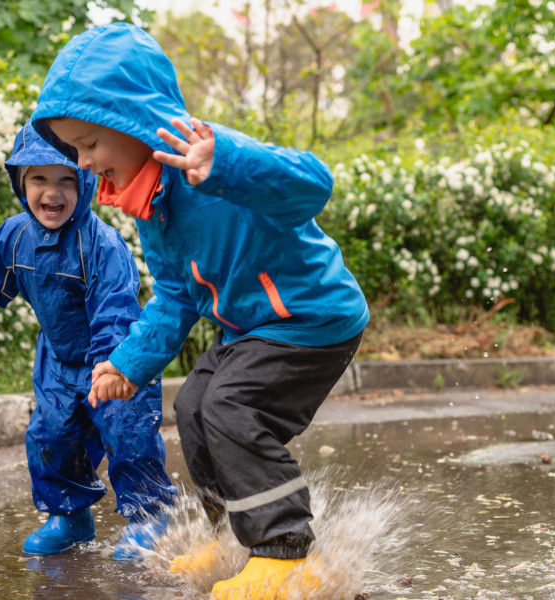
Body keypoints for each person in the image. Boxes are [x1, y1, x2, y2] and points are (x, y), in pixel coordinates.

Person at [30, 23, 369, 600]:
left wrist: (228, 163)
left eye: (88, 144)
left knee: (231, 408)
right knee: (193, 406)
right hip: (251, 329)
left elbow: (314, 185)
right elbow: (175, 295)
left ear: (131, 121)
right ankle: (232, 535)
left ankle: (284, 551)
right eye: (75, 151)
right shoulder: (151, 205)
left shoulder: (212, 157)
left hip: (311, 319)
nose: (83, 163)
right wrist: (129, 363)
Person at [0, 121, 177, 561]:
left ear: (85, 180)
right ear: (20, 184)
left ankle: (151, 516)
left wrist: (114, 367)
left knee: (128, 435)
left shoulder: (101, 244)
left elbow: (115, 308)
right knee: (51, 436)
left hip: (114, 360)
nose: (52, 192)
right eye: (39, 179)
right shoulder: (16, 235)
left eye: (66, 179)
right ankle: (69, 516)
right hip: (58, 363)